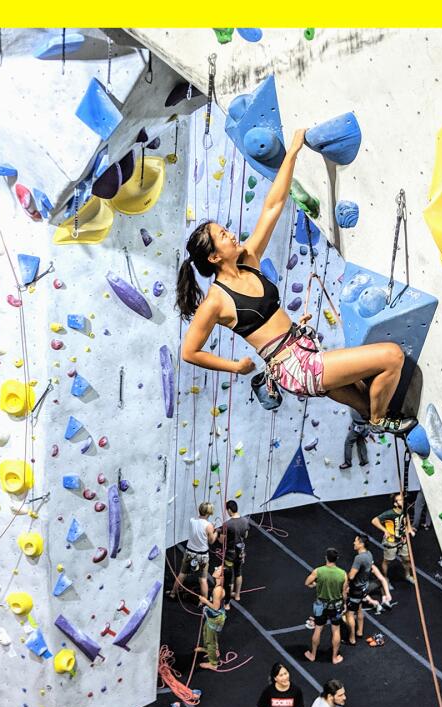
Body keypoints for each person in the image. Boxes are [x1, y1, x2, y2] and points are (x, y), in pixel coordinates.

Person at [176, 128, 414, 436]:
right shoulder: (216, 302)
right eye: (223, 235)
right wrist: (235, 367)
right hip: (294, 368)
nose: (231, 234)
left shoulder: (248, 260)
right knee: (391, 357)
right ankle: (380, 422)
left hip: (305, 348)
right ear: (213, 257)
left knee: (368, 399)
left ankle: (372, 416)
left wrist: (292, 153)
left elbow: (272, 207)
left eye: (226, 230)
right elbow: (189, 352)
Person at [344, 535, 396, 645]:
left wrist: (345, 579)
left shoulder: (359, 558)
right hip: (364, 587)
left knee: (350, 613)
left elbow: (351, 576)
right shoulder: (369, 554)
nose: (354, 543)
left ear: (361, 544)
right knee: (359, 609)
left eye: (355, 541)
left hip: (356, 589)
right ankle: (360, 632)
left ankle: (352, 638)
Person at [304, 548, 348, 665]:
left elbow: (307, 582)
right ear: (336, 559)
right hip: (336, 605)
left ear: (326, 558)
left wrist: (315, 584)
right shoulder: (342, 574)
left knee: (318, 629)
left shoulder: (318, 571)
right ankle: (334, 657)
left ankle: (313, 655)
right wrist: (344, 604)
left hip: (321, 605)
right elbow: (344, 593)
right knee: (336, 630)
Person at [169, 502, 217, 603]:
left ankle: (173, 593)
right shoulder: (209, 526)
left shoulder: (192, 521)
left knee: (182, 574)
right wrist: (215, 532)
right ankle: (203, 601)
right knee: (203, 579)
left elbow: (198, 524)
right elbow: (211, 541)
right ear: (209, 513)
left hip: (190, 552)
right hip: (202, 555)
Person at [370, 493, 417, 588]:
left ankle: (407, 575)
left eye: (402, 499)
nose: (403, 501)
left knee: (407, 559)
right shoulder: (390, 513)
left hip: (402, 540)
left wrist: (410, 529)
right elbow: (374, 520)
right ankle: (385, 578)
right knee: (387, 561)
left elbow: (406, 518)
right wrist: (385, 531)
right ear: (395, 504)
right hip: (391, 542)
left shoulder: (404, 511)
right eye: (400, 500)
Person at [195, 564, 226, 671]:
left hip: (216, 617)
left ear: (221, 576)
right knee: (205, 631)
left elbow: (216, 607)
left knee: (211, 640)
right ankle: (206, 649)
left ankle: (213, 663)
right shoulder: (218, 586)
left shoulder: (218, 590)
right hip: (212, 616)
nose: (215, 569)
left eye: (217, 569)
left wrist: (205, 601)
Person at [220, 500, 251, 601]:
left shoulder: (227, 524)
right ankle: (237, 595)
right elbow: (245, 535)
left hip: (230, 554)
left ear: (229, 510)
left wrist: (217, 534)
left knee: (229, 575)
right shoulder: (245, 521)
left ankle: (228, 598)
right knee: (238, 573)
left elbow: (222, 541)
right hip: (240, 552)